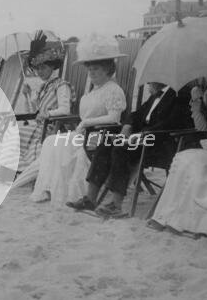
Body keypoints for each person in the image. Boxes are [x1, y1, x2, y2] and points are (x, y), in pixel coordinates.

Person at [30, 35, 127, 204]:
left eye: (96, 69)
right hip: (86, 132)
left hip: (103, 134)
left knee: (61, 144)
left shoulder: (113, 90)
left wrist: (86, 123)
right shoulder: (93, 91)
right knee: (51, 141)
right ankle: (50, 189)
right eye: (90, 70)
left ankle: (75, 193)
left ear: (107, 70)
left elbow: (114, 117)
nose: (92, 73)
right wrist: (84, 124)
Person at [66, 82, 188, 216]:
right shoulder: (155, 96)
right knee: (106, 142)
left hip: (161, 146)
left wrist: (141, 135)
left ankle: (116, 205)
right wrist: (128, 125)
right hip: (141, 141)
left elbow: (172, 123)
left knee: (121, 148)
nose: (148, 83)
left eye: (151, 79)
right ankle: (90, 198)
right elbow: (136, 114)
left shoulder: (179, 94)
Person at [149, 64, 207, 236]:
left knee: (194, 162)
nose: (203, 75)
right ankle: (166, 216)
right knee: (183, 157)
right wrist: (197, 103)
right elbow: (202, 128)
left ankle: (188, 221)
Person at [0, 31, 72, 183]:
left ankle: (20, 171)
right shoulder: (43, 87)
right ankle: (9, 170)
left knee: (24, 137)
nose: (40, 72)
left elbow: (65, 110)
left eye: (43, 68)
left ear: (52, 67)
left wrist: (48, 114)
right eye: (37, 69)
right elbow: (33, 112)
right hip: (40, 126)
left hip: (54, 127)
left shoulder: (61, 86)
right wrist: (27, 95)